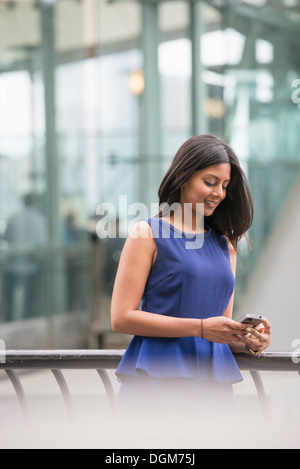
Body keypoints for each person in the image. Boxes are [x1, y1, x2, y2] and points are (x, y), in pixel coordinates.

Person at [111, 135, 271, 418]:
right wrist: (199, 327)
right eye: (209, 182)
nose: (219, 193)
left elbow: (218, 330)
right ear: (183, 176)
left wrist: (249, 341)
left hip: (213, 390)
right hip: (156, 386)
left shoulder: (226, 246)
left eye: (224, 185)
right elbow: (121, 317)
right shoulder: (147, 233)